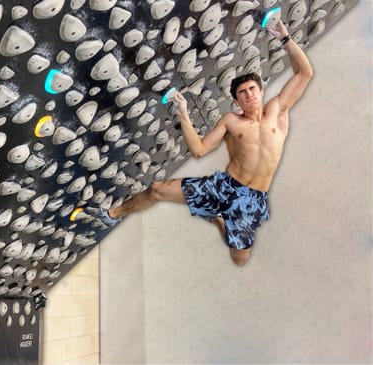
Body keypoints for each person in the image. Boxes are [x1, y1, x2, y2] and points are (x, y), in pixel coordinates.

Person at [81, 19, 313, 266]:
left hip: (251, 200)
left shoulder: (278, 110)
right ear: (237, 102)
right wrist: (183, 113)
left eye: (252, 89)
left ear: (261, 91)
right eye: (242, 93)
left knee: (239, 258)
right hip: (224, 186)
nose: (249, 94)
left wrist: (285, 39)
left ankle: (217, 219)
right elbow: (199, 150)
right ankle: (112, 215)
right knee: (157, 189)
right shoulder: (231, 121)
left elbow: (304, 73)